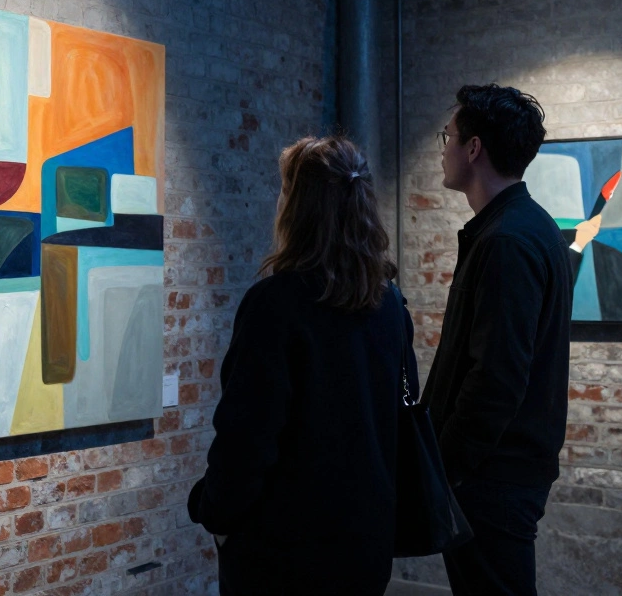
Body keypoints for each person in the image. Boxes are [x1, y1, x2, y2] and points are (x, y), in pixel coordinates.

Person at [187, 135, 419, 595]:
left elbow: (247, 437)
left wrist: (217, 514)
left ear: (298, 207)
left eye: (284, 190)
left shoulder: (275, 305)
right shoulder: (390, 304)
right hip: (365, 546)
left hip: (283, 552)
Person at [422, 84, 573, 595]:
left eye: (449, 136)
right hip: (498, 473)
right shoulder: (524, 227)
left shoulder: (508, 240)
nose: (443, 148)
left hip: (491, 477)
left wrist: (447, 470)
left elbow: (497, 376)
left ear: (473, 148)